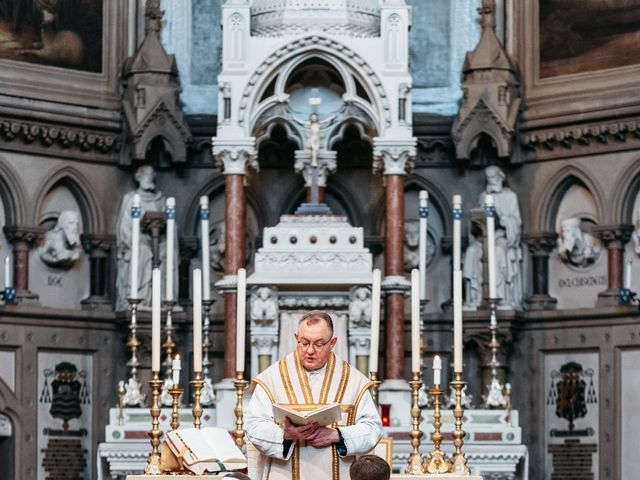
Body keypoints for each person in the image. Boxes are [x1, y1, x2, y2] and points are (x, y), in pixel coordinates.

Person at [245, 311, 383, 480]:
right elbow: (254, 427)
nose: (310, 350)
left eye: (318, 344)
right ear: (296, 337)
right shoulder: (271, 379)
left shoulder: (354, 381)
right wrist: (286, 435)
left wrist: (337, 435)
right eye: (304, 343)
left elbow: (373, 429)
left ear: (332, 343)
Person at [115, 165, 179, 310]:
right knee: (143, 251)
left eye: (151, 175)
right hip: (139, 239)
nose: (149, 178)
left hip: (159, 239)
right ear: (138, 177)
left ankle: (165, 299)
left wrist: (167, 227)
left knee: (167, 253)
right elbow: (124, 226)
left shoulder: (161, 200)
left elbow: (171, 223)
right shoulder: (131, 199)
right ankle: (140, 298)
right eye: (146, 175)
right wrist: (133, 239)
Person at [462, 165, 523, 309]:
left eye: (494, 177)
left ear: (501, 177)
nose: (491, 180)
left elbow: (516, 222)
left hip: (500, 237)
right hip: (483, 238)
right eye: (488, 178)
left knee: (498, 252)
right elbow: (477, 218)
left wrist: (502, 220)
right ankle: (475, 297)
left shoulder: (510, 197)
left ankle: (499, 296)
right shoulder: (483, 196)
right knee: (471, 252)